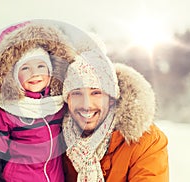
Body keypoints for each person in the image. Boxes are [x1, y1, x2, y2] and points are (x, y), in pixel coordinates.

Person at [61, 34, 169, 181]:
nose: (86, 105)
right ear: (67, 99)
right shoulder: (56, 140)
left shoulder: (146, 141)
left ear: (111, 98)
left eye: (96, 93)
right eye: (77, 93)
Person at [0, 21, 75, 181]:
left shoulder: (58, 103)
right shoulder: (4, 109)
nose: (35, 74)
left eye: (41, 66)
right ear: (13, 75)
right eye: (25, 68)